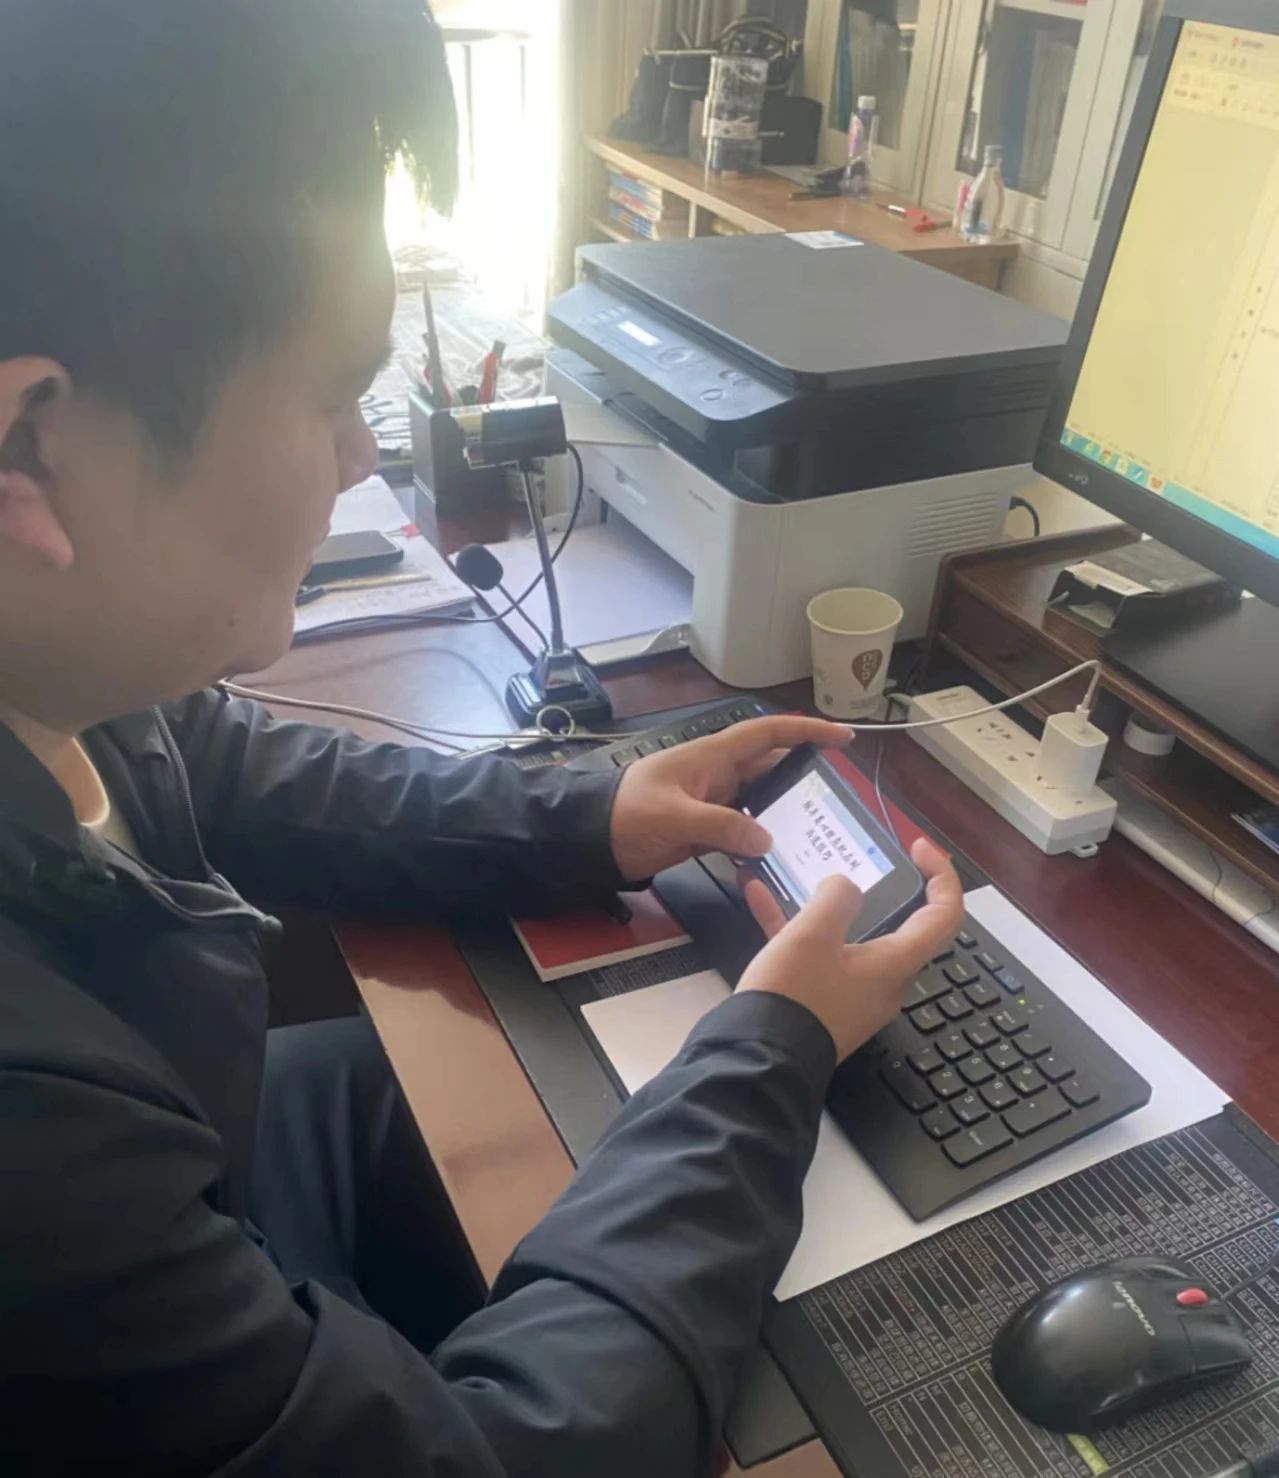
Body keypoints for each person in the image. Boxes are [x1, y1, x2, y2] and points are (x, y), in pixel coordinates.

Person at [0, 3, 964, 1474]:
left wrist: (585, 812)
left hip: (215, 1166)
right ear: (32, 446)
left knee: (485, 1107)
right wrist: (773, 1049)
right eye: (333, 395)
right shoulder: (34, 1138)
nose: (360, 458)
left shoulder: (59, 670)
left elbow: (215, 763)